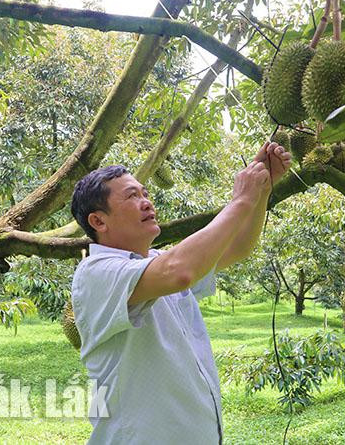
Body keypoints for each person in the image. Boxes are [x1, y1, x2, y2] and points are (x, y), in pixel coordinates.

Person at [69, 141, 292, 445]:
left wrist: (261, 191)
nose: (147, 202)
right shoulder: (95, 273)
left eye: (145, 193)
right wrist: (240, 200)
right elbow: (180, 272)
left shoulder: (156, 263)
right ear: (99, 221)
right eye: (132, 196)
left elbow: (236, 247)